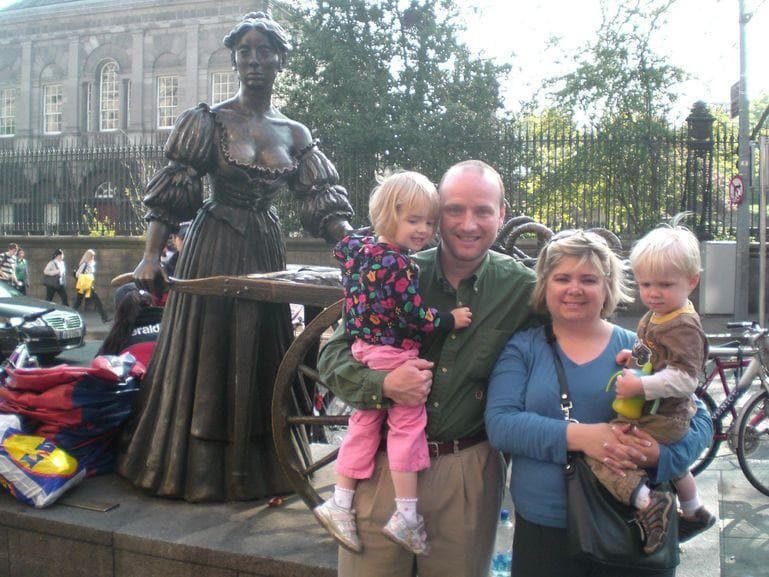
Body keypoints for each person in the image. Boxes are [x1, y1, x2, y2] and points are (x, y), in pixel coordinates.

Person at [116, 11, 353, 503]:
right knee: (208, 351)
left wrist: (356, 249)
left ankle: (262, 467)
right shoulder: (208, 120)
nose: (254, 61)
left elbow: (322, 201)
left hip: (265, 246)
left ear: (279, 60)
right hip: (214, 245)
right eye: (244, 51)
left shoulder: (295, 132)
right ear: (235, 59)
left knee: (264, 351)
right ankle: (196, 467)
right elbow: (173, 192)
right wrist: (150, 256)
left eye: (264, 51)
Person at [319, 160, 543, 577]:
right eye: (454, 210)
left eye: (483, 211)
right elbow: (333, 355)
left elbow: (577, 337)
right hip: (381, 469)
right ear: (438, 215)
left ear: (502, 214)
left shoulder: (522, 289)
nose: (468, 224)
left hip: (466, 472)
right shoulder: (392, 270)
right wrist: (383, 383)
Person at [484, 230, 713, 577]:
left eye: (588, 279)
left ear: (608, 287)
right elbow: (501, 425)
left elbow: (698, 416)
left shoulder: (638, 345)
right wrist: (584, 437)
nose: (574, 289)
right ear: (544, 285)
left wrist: (662, 457)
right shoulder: (524, 348)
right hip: (547, 526)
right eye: (562, 278)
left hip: (632, 527)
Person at [314, 172, 472, 555]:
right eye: (413, 220)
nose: (424, 230)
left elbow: (349, 243)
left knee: (364, 423)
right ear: (390, 216)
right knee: (407, 425)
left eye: (430, 222)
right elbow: (413, 315)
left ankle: (339, 501)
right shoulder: (401, 265)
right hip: (393, 350)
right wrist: (451, 318)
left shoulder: (358, 248)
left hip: (363, 348)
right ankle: (405, 514)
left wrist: (384, 218)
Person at [601, 219, 716, 545]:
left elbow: (685, 379)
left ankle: (650, 505)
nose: (652, 293)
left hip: (667, 414)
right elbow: (647, 350)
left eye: (664, 285)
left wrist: (641, 386)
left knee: (618, 453)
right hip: (658, 408)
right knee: (676, 469)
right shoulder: (655, 315)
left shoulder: (683, 326)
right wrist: (632, 356)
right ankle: (694, 510)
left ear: (691, 282)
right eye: (645, 284)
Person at [98, 288, 163, 368]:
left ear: (120, 310)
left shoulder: (116, 338)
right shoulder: (169, 328)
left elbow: (100, 365)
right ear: (152, 304)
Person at [73, 249, 112, 323]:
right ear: (88, 256)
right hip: (84, 285)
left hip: (87, 285)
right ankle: (104, 318)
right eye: (92, 256)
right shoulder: (84, 264)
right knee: (95, 301)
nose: (93, 258)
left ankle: (104, 318)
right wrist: (86, 276)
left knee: (79, 302)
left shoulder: (89, 264)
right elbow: (77, 274)